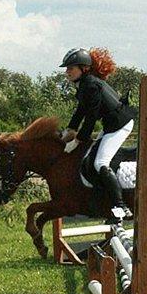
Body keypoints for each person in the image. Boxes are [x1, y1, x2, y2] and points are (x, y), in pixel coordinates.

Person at [59, 47, 135, 224]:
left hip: (120, 125)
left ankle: (120, 206)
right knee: (89, 160)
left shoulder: (91, 85)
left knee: (100, 162)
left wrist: (77, 140)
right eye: (67, 68)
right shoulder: (85, 85)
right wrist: (69, 130)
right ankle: (105, 201)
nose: (67, 71)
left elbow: (91, 118)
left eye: (71, 68)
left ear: (83, 68)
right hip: (111, 125)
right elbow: (80, 112)